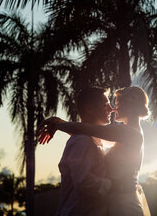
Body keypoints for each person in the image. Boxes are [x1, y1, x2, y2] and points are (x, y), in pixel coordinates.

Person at [38, 86, 151, 216]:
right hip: (116, 201)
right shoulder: (123, 134)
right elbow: (92, 137)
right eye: (110, 104)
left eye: (118, 103)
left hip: (124, 204)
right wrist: (59, 124)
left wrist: (58, 124)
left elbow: (92, 131)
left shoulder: (129, 133)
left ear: (130, 107)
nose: (113, 108)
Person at [40, 87, 114, 216]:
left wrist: (59, 124)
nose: (111, 109)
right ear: (89, 109)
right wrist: (112, 185)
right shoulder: (82, 142)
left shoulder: (92, 140)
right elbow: (83, 181)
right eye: (105, 105)